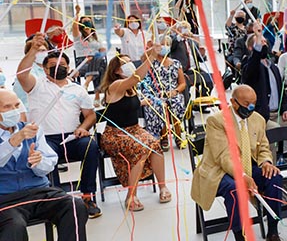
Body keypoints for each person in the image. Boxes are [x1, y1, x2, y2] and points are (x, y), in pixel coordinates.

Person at [0, 89, 87, 241]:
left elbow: (50, 161)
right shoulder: (21, 133)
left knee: (74, 206)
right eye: (6, 107)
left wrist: (38, 162)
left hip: (39, 191)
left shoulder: (32, 131)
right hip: (6, 198)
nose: (13, 111)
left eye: (16, 105)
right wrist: (14, 140)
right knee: (14, 226)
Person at [190, 85, 286, 241]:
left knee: (274, 176)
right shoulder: (216, 121)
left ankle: (273, 234)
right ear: (233, 103)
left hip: (247, 166)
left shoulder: (257, 119)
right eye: (246, 104)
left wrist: (266, 161)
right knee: (235, 189)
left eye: (254, 104)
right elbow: (224, 156)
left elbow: (263, 147)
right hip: (218, 170)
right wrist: (242, 176)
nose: (250, 108)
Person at [16, 34, 102, 219]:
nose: (58, 69)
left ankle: (88, 196)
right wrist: (33, 50)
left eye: (62, 66)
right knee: (46, 156)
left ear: (68, 67)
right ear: (45, 69)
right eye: (53, 67)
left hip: (72, 137)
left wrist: (83, 127)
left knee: (91, 146)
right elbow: (22, 74)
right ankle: (55, 201)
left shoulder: (77, 89)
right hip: (45, 138)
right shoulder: (37, 85)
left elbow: (90, 115)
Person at [98, 50, 171, 212]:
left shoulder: (131, 88)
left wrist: (151, 101)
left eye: (130, 61)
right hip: (115, 134)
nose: (129, 65)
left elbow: (131, 104)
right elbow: (136, 77)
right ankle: (131, 195)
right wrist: (151, 57)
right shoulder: (116, 85)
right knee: (141, 148)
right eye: (125, 63)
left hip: (134, 130)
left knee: (156, 146)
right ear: (116, 70)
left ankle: (162, 187)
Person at [240, 23, 287, 162]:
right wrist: (257, 36)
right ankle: (270, 168)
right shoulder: (250, 66)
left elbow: (281, 92)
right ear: (252, 47)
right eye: (260, 42)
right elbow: (253, 63)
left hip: (277, 113)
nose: (264, 44)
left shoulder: (273, 67)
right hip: (262, 116)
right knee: (274, 131)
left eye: (265, 42)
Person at [137, 38, 187, 149]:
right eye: (161, 45)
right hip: (154, 94)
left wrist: (175, 91)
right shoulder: (150, 62)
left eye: (166, 44)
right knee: (160, 106)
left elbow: (182, 83)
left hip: (172, 93)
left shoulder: (176, 63)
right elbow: (142, 57)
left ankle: (178, 136)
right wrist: (152, 49)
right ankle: (164, 137)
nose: (163, 47)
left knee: (176, 103)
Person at [71, 7, 107, 102]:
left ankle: (87, 83)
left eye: (89, 21)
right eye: (84, 21)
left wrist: (97, 54)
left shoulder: (95, 38)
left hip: (95, 61)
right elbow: (74, 26)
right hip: (83, 62)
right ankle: (97, 96)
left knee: (99, 63)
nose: (87, 22)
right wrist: (77, 13)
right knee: (100, 68)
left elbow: (103, 50)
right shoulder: (78, 36)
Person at [225, 7, 249, 72]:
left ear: (244, 18)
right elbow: (227, 26)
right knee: (236, 60)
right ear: (235, 18)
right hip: (233, 53)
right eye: (239, 16)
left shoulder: (247, 29)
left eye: (242, 16)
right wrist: (231, 15)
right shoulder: (233, 28)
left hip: (245, 53)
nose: (240, 17)